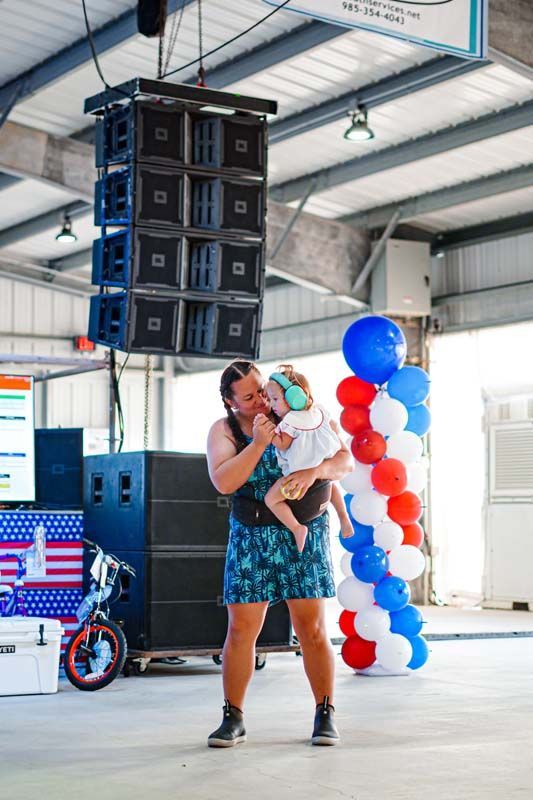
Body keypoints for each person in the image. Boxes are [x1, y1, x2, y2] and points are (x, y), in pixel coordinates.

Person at [206, 360, 352, 748]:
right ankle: (233, 716)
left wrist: (315, 471)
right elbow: (223, 481)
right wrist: (257, 443)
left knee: (312, 628)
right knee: (241, 630)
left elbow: (344, 460)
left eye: (261, 390)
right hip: (253, 535)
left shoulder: (303, 415)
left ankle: (325, 712)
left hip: (304, 533)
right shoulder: (223, 430)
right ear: (230, 401)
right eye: (249, 396)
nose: (260, 401)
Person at [261, 364, 354, 553]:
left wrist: (269, 434)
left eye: (275, 399)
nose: (271, 404)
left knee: (271, 499)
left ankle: (296, 528)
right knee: (332, 486)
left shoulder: (289, 422)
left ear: (294, 397)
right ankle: (344, 517)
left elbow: (283, 444)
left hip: (296, 479)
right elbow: (333, 436)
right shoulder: (319, 413)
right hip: (322, 480)